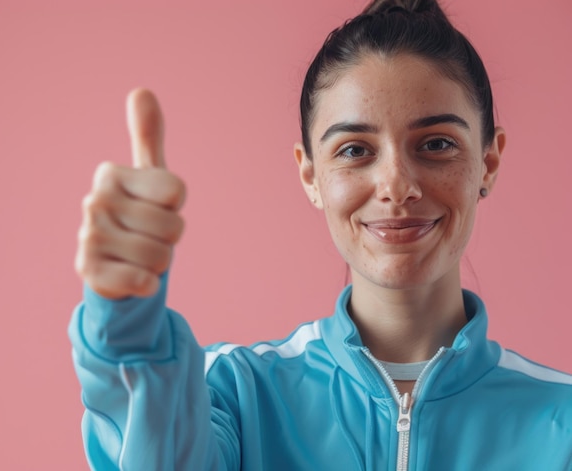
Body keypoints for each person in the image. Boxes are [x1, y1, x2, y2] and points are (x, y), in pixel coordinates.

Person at [69, 0, 572, 469]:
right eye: (355, 150)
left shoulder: (562, 421)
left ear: (488, 161)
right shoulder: (233, 393)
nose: (396, 186)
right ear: (310, 175)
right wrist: (124, 324)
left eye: (436, 144)